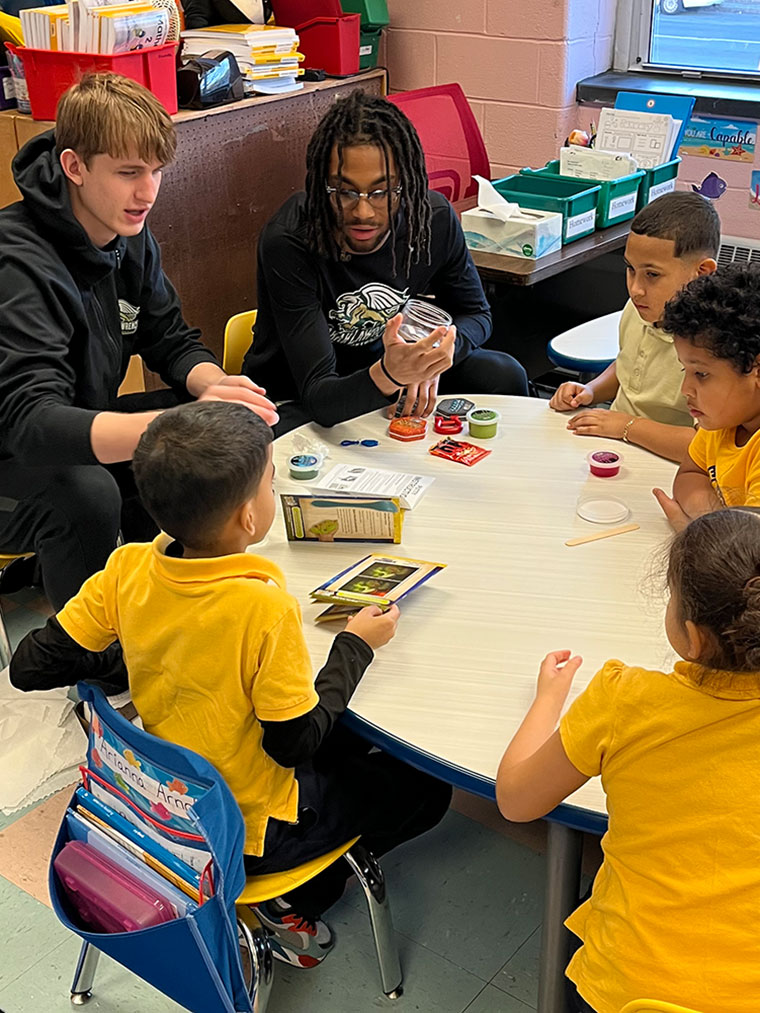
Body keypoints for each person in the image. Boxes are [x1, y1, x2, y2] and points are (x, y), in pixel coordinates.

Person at [10, 401, 452, 968]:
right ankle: (295, 897)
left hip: (164, 797)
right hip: (242, 831)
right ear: (249, 517)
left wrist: (154, 642)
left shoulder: (126, 570)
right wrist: (356, 646)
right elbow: (294, 743)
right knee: (426, 786)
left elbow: (29, 667)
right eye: (272, 483)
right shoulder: (261, 608)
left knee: (352, 743)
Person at [0, 72, 277, 622]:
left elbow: (168, 336)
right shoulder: (17, 263)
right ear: (74, 167)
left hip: (68, 426)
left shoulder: (126, 231)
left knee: (211, 441)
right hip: (13, 452)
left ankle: (180, 608)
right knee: (86, 491)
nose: (147, 192)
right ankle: (92, 657)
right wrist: (175, 429)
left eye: (155, 172)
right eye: (128, 173)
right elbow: (31, 425)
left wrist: (212, 386)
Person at [496, 508, 760, 1013]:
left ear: (693, 635)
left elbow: (515, 800)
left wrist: (549, 698)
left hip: (631, 988)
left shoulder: (625, 699)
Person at [243, 89, 529, 434]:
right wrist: (392, 374)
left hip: (389, 373)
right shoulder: (290, 240)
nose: (363, 213)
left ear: (405, 185)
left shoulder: (432, 220)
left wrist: (432, 358)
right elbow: (321, 397)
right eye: (345, 192)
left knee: (503, 373)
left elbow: (477, 315)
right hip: (299, 396)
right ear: (321, 186)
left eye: (381, 192)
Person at [549, 191, 719, 462]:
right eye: (630, 269)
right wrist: (592, 390)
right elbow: (628, 366)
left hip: (671, 464)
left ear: (702, 273)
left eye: (652, 275)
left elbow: (706, 447)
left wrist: (626, 427)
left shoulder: (717, 346)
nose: (635, 289)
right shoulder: (639, 308)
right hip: (618, 444)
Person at [654, 263, 760, 531]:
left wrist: (692, 528)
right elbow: (690, 475)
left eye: (701, 374)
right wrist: (713, 523)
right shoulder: (722, 422)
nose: (685, 389)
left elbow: (747, 556)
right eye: (684, 370)